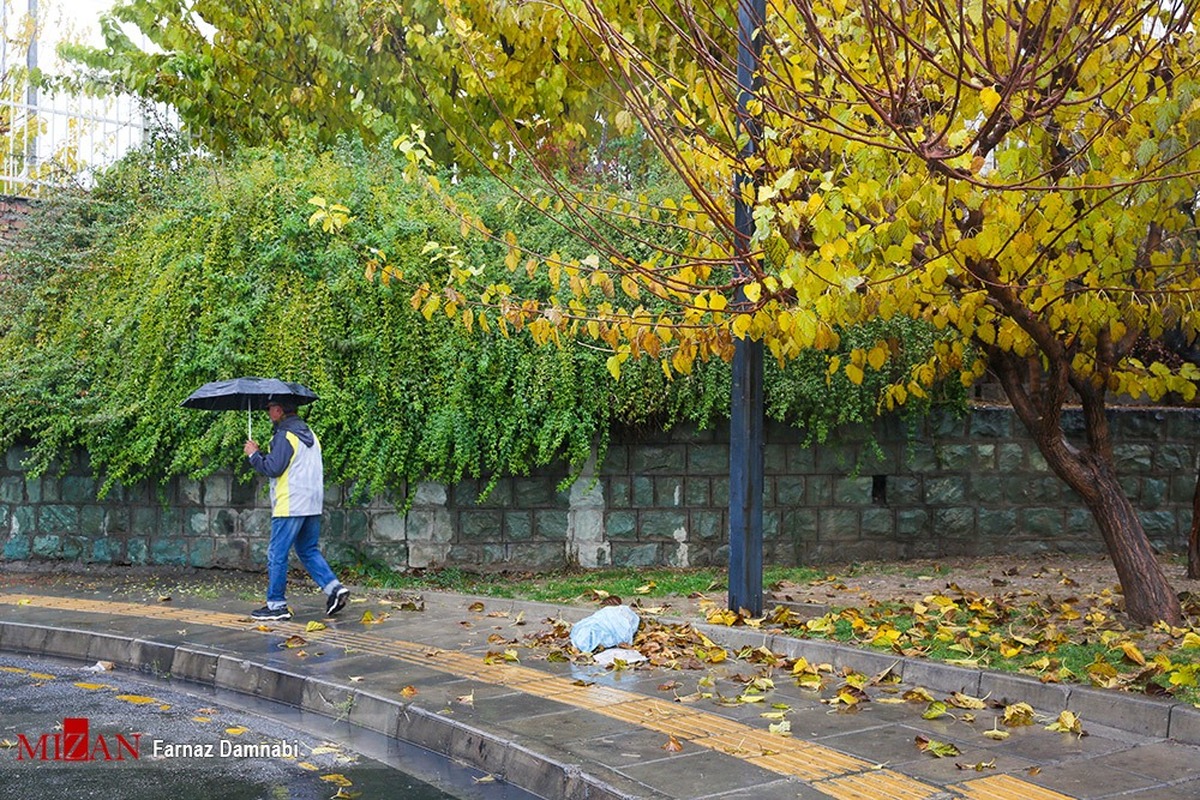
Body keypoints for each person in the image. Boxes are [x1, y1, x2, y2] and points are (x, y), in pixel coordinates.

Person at [243, 398, 349, 621]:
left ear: (279, 410)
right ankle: (334, 588)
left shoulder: (284, 435)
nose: (268, 412)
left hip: (290, 502)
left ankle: (276, 605)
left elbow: (273, 468)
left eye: (270, 408)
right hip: (312, 502)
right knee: (307, 549)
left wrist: (253, 455)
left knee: (277, 554)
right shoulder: (308, 433)